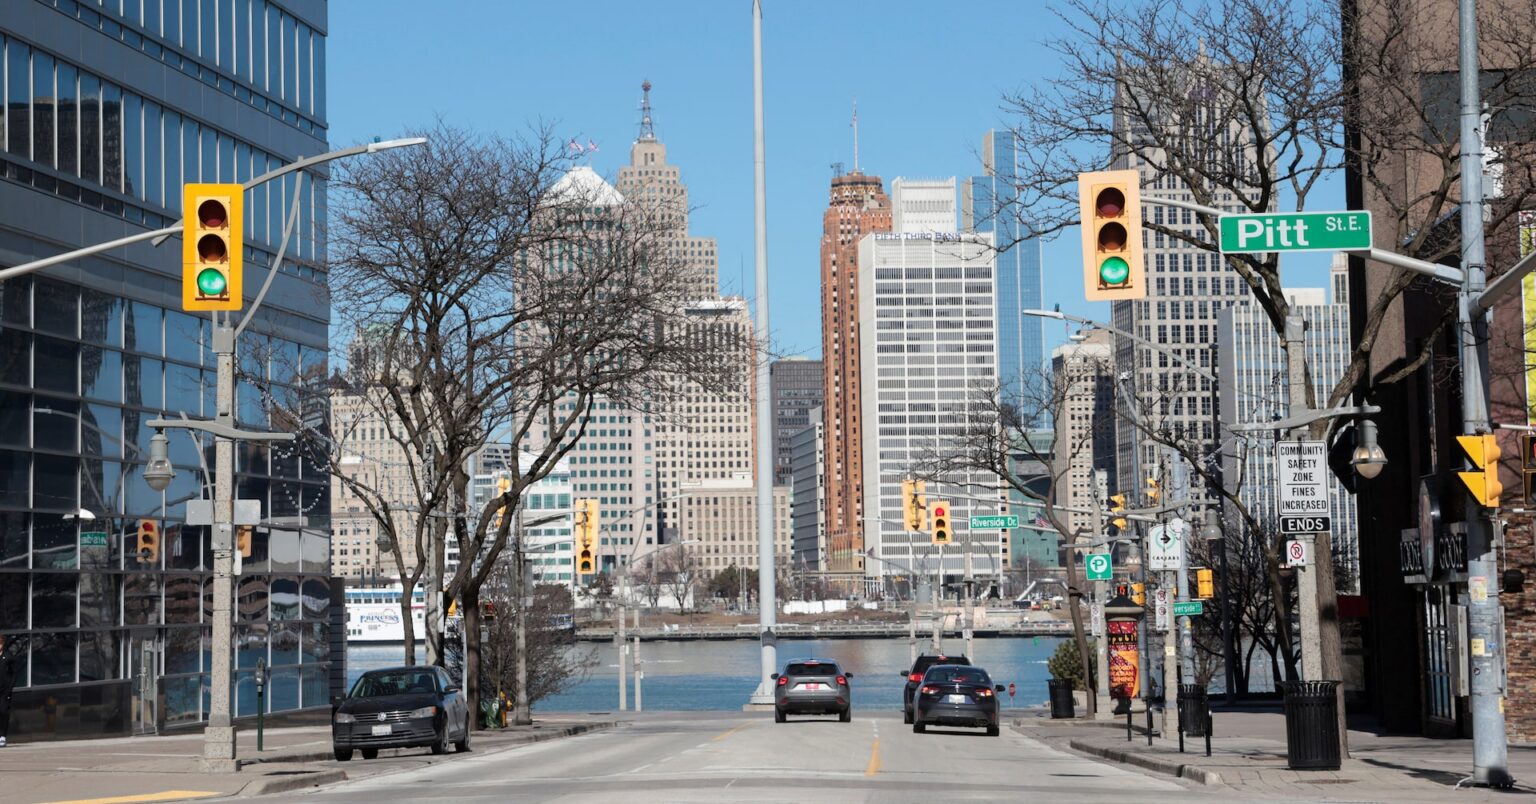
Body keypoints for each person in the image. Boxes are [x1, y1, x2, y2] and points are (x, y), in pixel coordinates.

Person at [0, 634, 17, 747]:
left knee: (3, 712)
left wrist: (10, 687)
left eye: (0, 643)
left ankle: (2, 736)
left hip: (4, 691)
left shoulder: (8, 656)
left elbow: (14, 673)